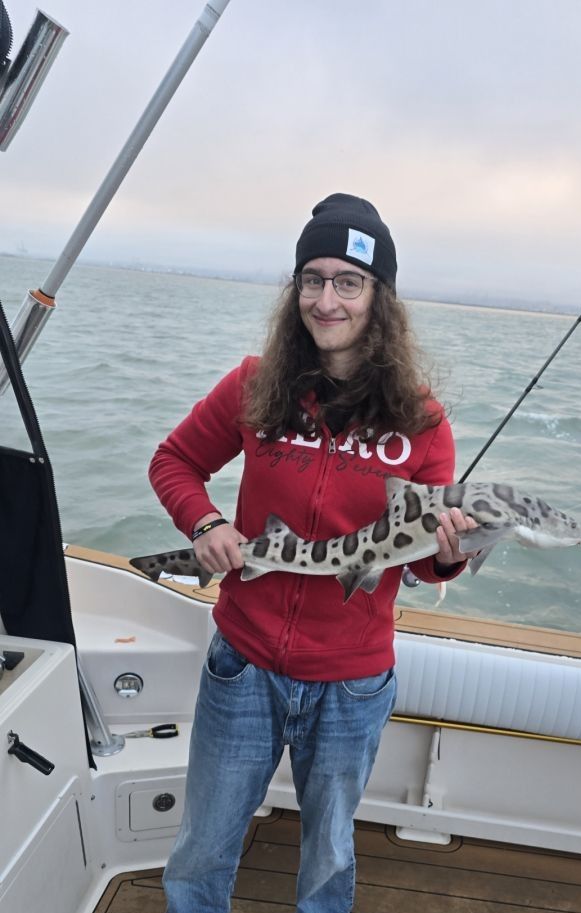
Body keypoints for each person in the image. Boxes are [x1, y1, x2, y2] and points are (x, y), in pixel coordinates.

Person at [149, 192, 476, 913]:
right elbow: (174, 461)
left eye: (348, 282)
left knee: (329, 861)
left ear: (379, 296)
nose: (327, 300)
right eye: (312, 279)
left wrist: (451, 553)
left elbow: (420, 561)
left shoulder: (420, 419)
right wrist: (205, 523)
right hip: (243, 663)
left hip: (352, 681)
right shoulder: (255, 382)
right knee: (201, 851)